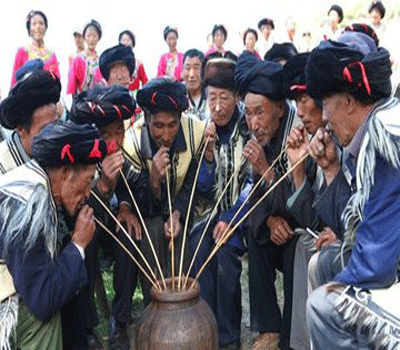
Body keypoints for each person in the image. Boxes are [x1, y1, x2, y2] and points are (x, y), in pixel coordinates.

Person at [305, 32, 399, 349]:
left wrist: (336, 287)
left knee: (323, 306)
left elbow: (375, 266)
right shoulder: (375, 126)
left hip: (391, 273)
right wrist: (331, 169)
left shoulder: (382, 138)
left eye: (326, 106)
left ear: (347, 101)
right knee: (327, 262)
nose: (325, 118)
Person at [0, 120, 106, 350]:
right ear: (66, 172)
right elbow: (42, 299)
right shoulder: (31, 205)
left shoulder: (36, 179)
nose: (87, 194)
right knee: (43, 318)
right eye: (87, 182)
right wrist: (78, 243)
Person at [70, 85, 143, 350]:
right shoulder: (82, 161)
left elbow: (134, 187)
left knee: (130, 233)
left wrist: (125, 207)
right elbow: (79, 209)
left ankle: (119, 323)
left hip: (112, 226)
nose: (113, 141)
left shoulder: (125, 156)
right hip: (89, 225)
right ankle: (88, 327)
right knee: (85, 239)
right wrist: (102, 187)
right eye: (105, 135)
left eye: (118, 132)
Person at [121, 77, 205, 305]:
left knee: (182, 236)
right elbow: (139, 202)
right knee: (152, 231)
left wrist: (177, 214)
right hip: (148, 213)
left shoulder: (195, 132)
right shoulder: (132, 143)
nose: (166, 135)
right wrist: (154, 181)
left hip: (183, 210)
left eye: (172, 125)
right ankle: (156, 307)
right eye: (158, 126)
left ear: (181, 119)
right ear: (146, 119)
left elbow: (191, 185)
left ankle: (185, 304)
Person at [235, 51, 297, 350]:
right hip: (277, 221)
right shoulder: (261, 140)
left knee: (294, 247)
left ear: (281, 110)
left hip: (304, 228)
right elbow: (254, 197)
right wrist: (270, 219)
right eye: (248, 114)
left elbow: (304, 202)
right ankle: (268, 327)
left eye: (260, 112)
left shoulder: (297, 133)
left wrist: (265, 170)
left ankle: (290, 334)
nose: (253, 122)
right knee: (255, 232)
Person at [189, 57, 250, 350]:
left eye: (224, 98)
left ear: (236, 98)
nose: (217, 106)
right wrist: (209, 156)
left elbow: (252, 185)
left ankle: (228, 338)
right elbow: (201, 190)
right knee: (199, 243)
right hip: (210, 215)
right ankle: (206, 331)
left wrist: (230, 216)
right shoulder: (204, 130)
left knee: (225, 254)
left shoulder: (247, 127)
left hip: (242, 216)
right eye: (212, 97)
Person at [0, 69, 60, 173]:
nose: (54, 136)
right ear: (21, 130)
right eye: (46, 131)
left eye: (56, 126)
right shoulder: (4, 169)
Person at [10, 10, 60, 88]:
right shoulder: (22, 52)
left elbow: (57, 82)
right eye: (34, 24)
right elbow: (14, 81)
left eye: (41, 23)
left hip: (48, 98)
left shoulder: (52, 55)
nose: (38, 26)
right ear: (29, 29)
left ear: (45, 27)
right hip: (26, 98)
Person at [67, 20, 103, 95]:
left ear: (98, 38)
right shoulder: (77, 58)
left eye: (94, 36)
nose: (91, 39)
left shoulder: (101, 60)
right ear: (84, 38)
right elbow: (72, 83)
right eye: (89, 35)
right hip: (82, 100)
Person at [181, 49, 208, 121]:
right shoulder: (178, 95)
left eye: (196, 68)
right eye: (187, 68)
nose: (192, 74)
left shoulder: (211, 94)